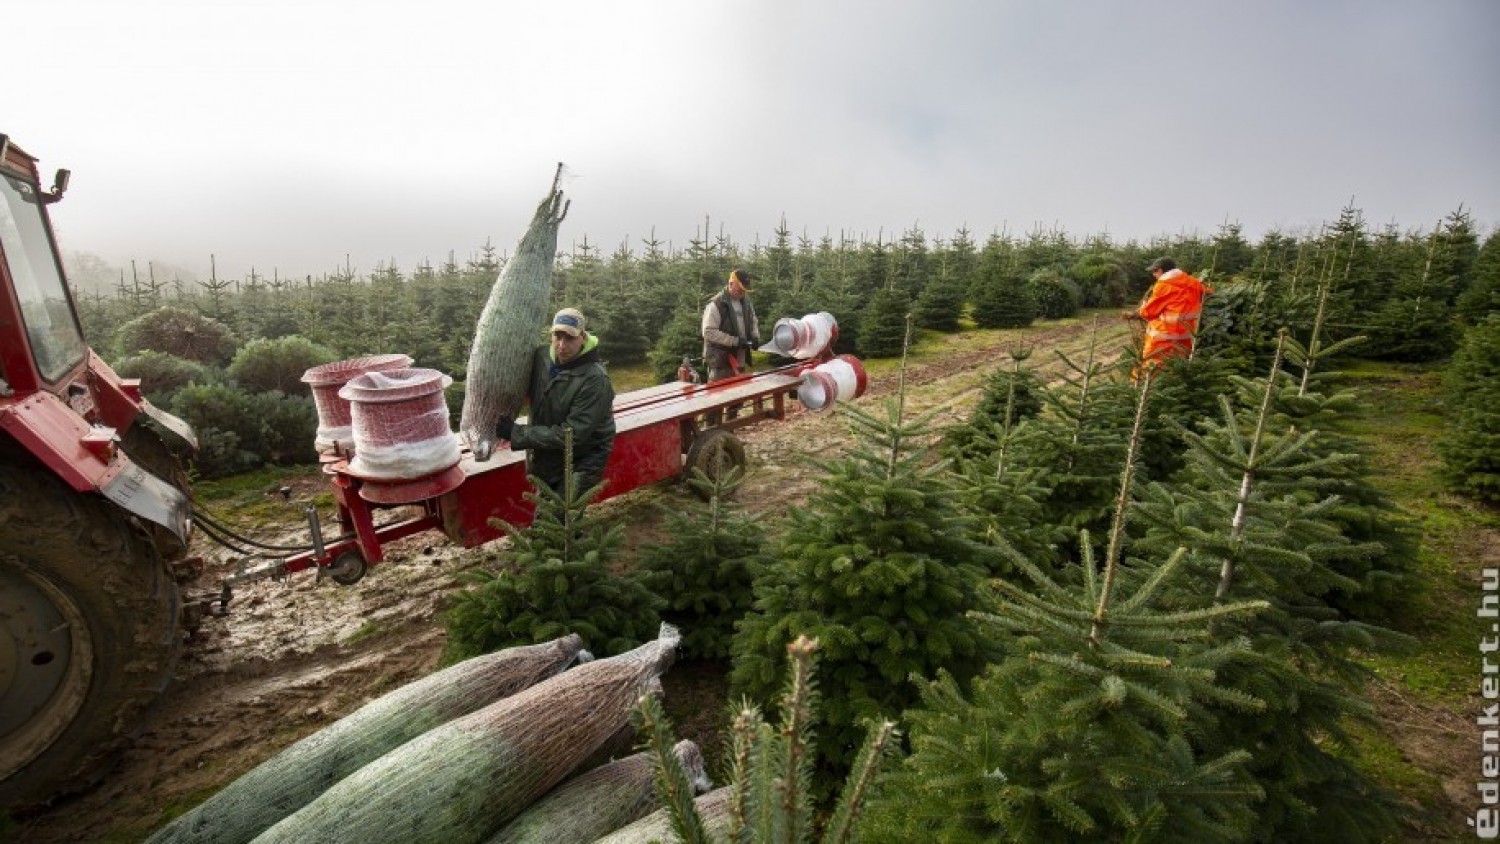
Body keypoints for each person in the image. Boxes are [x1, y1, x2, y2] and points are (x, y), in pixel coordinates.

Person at [493, 307, 616, 498]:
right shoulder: (542, 357)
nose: (561, 345)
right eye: (557, 336)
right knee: (548, 519)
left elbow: (572, 435)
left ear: (583, 337)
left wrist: (517, 433)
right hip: (548, 454)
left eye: (569, 338)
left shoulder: (595, 380)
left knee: (558, 519)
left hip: (583, 460)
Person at [1127, 256, 1211, 379]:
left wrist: (1141, 309)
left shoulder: (1163, 285)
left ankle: (1139, 392)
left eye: (1154, 271)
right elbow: (1208, 292)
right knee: (1176, 369)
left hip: (1162, 338)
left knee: (1150, 368)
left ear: (1161, 270)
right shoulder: (1192, 282)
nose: (1153, 274)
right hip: (1185, 337)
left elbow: (1148, 312)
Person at [701, 268, 761, 382]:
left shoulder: (746, 302)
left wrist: (755, 336)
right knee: (720, 396)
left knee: (739, 395)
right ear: (731, 284)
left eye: (745, 290)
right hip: (721, 363)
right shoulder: (716, 305)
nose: (743, 293)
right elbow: (708, 332)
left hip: (739, 360)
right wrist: (735, 341)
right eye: (740, 290)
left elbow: (753, 320)